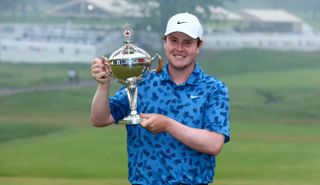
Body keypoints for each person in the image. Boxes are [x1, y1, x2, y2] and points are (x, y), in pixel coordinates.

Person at [90, 12, 230, 185]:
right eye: (173, 40)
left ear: (198, 46)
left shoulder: (213, 88)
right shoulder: (142, 81)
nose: (179, 48)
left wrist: (167, 124)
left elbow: (214, 144)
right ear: (164, 42)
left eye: (187, 42)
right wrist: (104, 85)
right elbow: (100, 119)